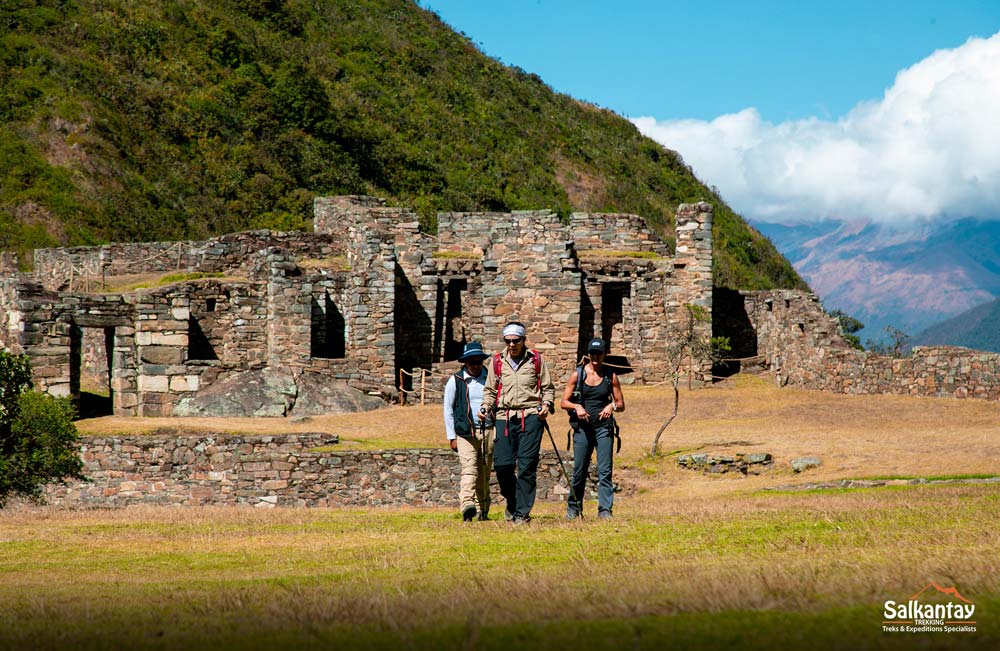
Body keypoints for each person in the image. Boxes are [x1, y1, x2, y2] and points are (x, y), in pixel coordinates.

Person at [480, 321, 556, 524]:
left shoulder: (536, 360)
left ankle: (522, 513)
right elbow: (489, 391)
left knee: (526, 466)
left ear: (524, 340)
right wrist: (486, 407)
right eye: (508, 341)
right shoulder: (496, 362)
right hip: (504, 417)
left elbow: (548, 388)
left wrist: (546, 404)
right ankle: (513, 501)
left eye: (516, 341)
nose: (512, 345)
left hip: (531, 416)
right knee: (503, 466)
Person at [560, 338, 625, 519]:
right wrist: (577, 407)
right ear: (588, 355)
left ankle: (605, 510)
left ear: (604, 354)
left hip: (603, 428)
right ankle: (574, 509)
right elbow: (563, 402)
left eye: (599, 353)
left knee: (605, 470)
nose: (596, 357)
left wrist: (611, 406)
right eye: (593, 353)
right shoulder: (578, 375)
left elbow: (621, 404)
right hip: (582, 429)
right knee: (579, 470)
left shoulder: (610, 376)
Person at [443, 341, 492, 521]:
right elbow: (448, 410)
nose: (476, 366)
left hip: (488, 429)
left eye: (478, 361)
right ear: (465, 362)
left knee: (484, 472)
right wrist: (451, 436)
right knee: (469, 469)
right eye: (472, 362)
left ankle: (483, 509)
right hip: (465, 432)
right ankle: (467, 505)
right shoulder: (455, 381)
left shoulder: (490, 378)